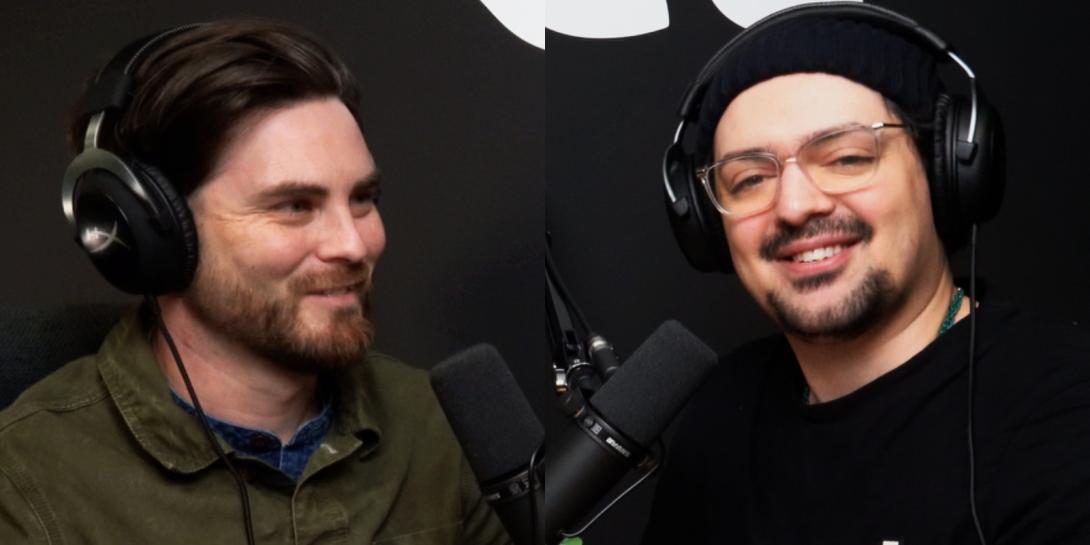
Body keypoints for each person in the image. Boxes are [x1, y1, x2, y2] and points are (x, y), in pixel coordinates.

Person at [0, 19, 509, 544]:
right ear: (153, 228)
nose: (354, 245)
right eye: (294, 206)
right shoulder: (28, 482)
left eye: (363, 198)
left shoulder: (436, 425)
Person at [645, 4, 1090, 544]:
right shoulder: (722, 409)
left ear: (944, 169)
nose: (794, 205)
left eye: (847, 157)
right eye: (751, 179)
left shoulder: (1063, 413)